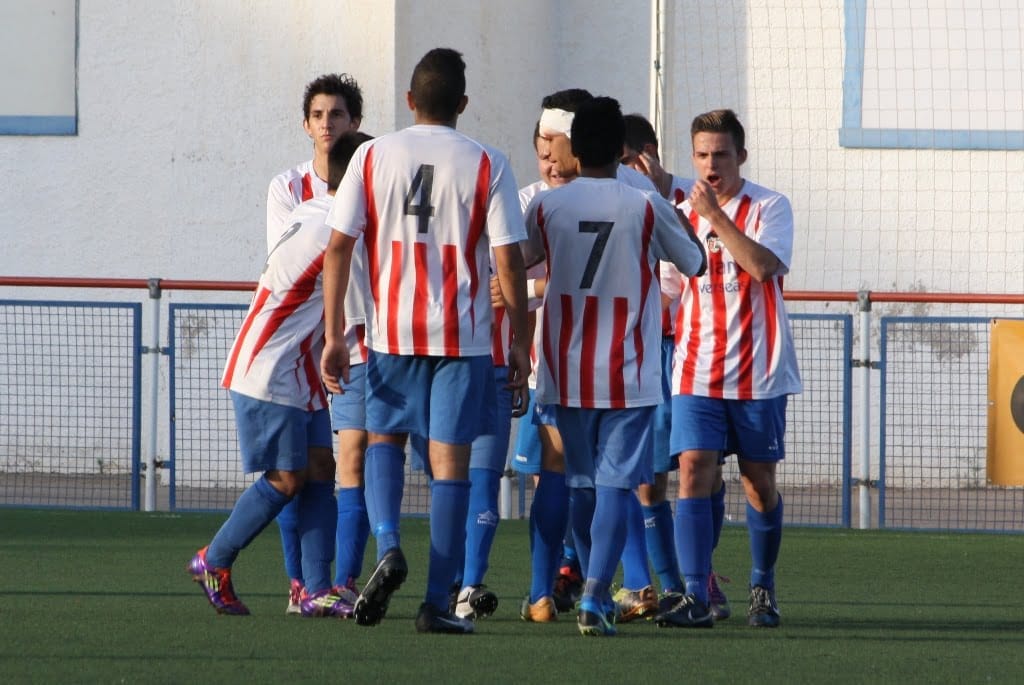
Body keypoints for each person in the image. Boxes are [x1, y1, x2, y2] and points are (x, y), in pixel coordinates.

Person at [320, 47, 531, 635]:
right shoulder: (488, 161)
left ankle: (387, 543)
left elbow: (338, 248)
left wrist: (336, 333)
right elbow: (509, 262)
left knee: (382, 441)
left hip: (391, 333)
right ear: (463, 104)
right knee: (449, 467)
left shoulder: (369, 156)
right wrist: (519, 340)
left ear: (410, 101)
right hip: (462, 340)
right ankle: (436, 602)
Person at [523, 96, 706, 636]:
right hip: (627, 371)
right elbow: (693, 261)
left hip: (562, 369)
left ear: (574, 151)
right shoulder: (644, 203)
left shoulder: (546, 206)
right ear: (622, 153)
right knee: (615, 486)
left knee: (581, 484)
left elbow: (515, 259)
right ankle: (598, 595)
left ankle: (590, 588)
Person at [187, 132, 370, 619]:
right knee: (287, 477)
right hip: (268, 366)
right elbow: (363, 301)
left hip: (295, 367)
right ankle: (214, 559)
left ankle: (315, 589)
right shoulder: (336, 231)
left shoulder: (313, 209)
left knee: (319, 470)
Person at [654, 109, 802, 630]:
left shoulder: (769, 206)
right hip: (696, 369)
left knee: (759, 483)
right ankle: (696, 594)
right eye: (700, 155)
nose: (710, 164)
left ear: (741, 155)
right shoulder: (677, 213)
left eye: (720, 154)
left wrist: (716, 217)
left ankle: (762, 583)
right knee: (694, 469)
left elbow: (763, 268)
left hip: (759, 371)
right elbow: (669, 290)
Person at [614, 113, 732, 622]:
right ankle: (666, 586)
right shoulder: (616, 201)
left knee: (700, 473)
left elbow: (693, 279)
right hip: (639, 351)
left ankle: (697, 574)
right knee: (644, 478)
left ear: (647, 154)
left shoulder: (691, 199)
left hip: (683, 353)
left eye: (626, 161)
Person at [265, 73, 364, 613]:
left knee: (335, 462)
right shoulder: (289, 188)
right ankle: (298, 582)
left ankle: (330, 580)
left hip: (348, 342)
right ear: (305, 125)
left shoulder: (367, 177)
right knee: (291, 466)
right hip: (295, 344)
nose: (328, 124)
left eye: (338, 114)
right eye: (319, 115)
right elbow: (303, 263)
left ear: (355, 123)